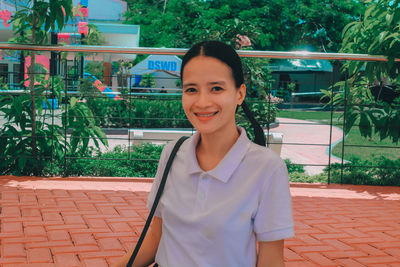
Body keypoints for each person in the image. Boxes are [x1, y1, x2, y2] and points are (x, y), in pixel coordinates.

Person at [114, 40, 294, 267]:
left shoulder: (267, 168)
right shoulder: (172, 154)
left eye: (216, 88)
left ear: (240, 94)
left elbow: (271, 260)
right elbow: (154, 240)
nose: (202, 102)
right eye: (191, 89)